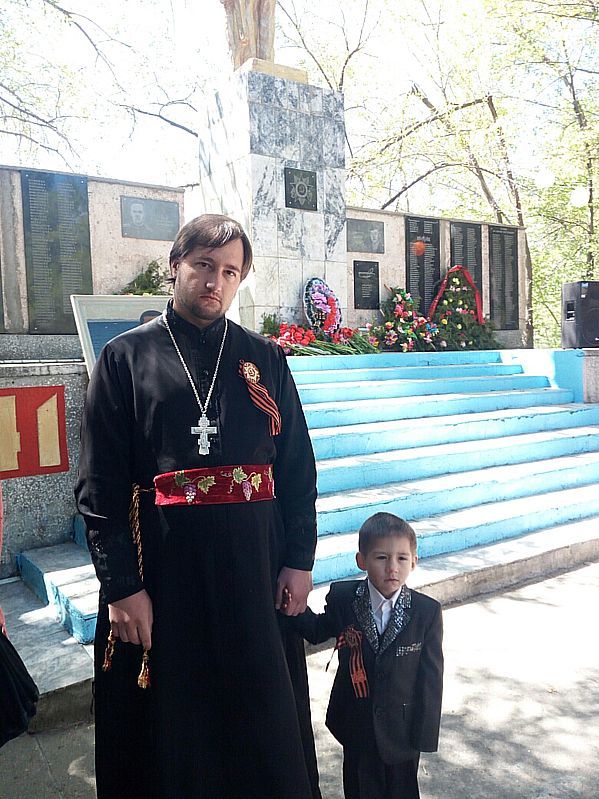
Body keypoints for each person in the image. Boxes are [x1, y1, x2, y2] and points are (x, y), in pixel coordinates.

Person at [75, 213, 321, 799]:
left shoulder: (264, 358)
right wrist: (122, 587)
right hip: (165, 575)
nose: (215, 282)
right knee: (172, 729)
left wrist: (299, 559)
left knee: (260, 729)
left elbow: (296, 469)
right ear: (175, 266)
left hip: (253, 571)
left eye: (230, 272)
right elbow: (99, 484)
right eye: (203, 266)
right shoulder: (125, 358)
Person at [293, 512, 443, 799]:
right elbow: (317, 630)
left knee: (402, 792)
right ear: (361, 560)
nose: (392, 568)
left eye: (402, 558)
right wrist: (291, 605)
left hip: (402, 733)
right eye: (381, 557)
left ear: (414, 562)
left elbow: (431, 678)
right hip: (356, 726)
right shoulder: (344, 598)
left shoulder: (426, 612)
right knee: (359, 790)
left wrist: (424, 735)